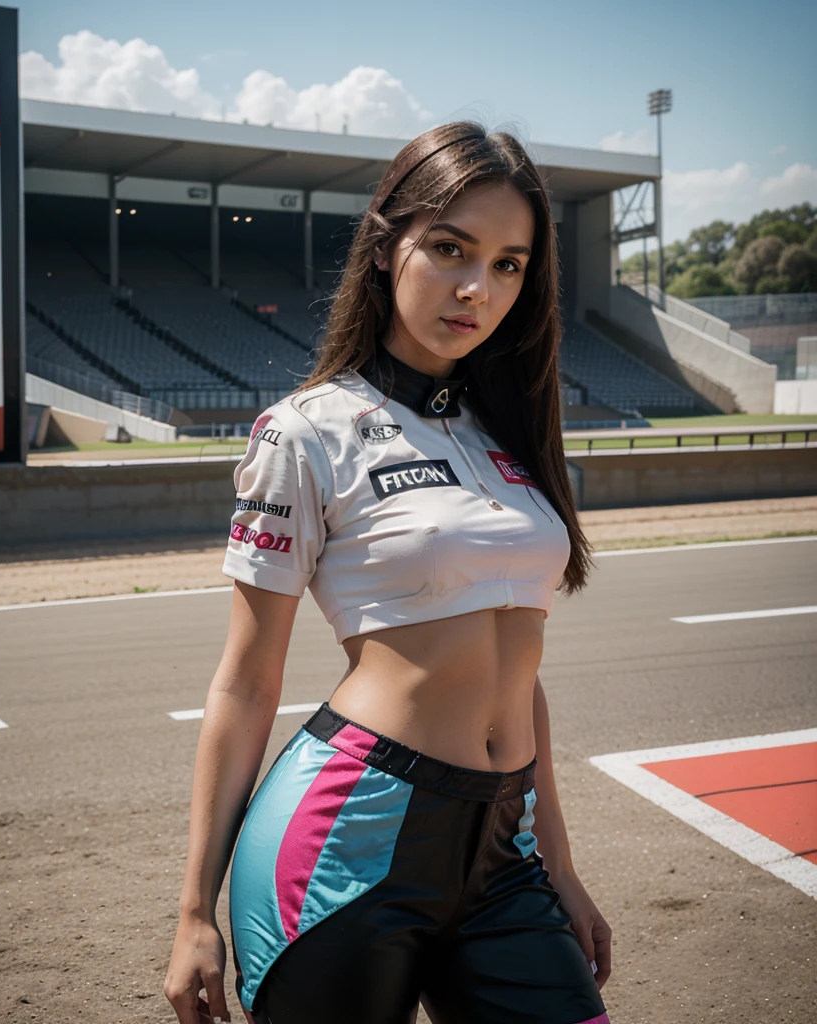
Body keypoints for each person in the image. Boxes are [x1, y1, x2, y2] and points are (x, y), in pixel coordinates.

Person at [164, 120, 612, 1024]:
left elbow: (521, 678)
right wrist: (190, 913)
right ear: (384, 244)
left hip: (502, 847)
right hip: (345, 838)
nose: (476, 287)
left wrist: (559, 862)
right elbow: (247, 685)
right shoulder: (305, 432)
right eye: (449, 248)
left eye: (508, 264)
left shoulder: (507, 434)